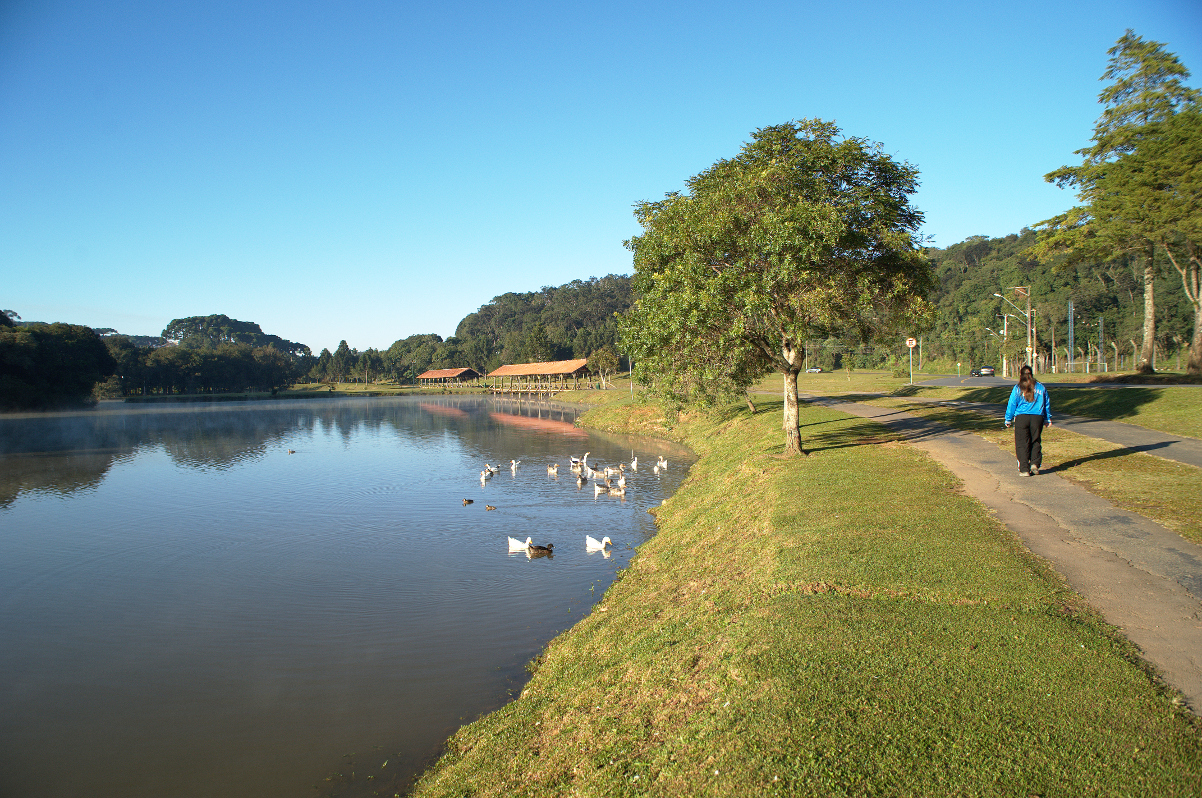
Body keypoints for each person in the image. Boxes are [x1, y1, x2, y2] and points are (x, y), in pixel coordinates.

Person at [1005, 364, 1052, 476]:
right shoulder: (1041, 387)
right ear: (1032, 374)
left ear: (1021, 375)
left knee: (1022, 443)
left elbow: (1012, 404)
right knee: (1035, 440)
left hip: (1022, 418)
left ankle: (1024, 469)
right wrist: (1047, 418)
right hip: (1037, 417)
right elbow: (1046, 404)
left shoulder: (1018, 388)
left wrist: (1008, 418)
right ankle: (1035, 463)